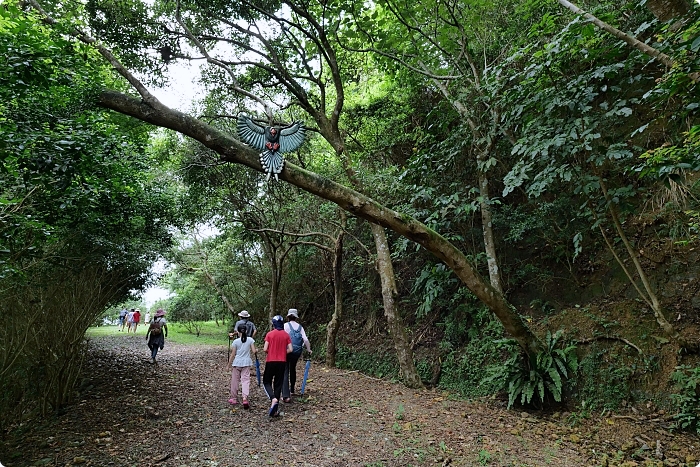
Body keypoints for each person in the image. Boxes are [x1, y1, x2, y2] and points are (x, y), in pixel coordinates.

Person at [263, 315, 292, 417]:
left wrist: (271, 351)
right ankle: (275, 409)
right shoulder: (286, 335)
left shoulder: (270, 334)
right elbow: (291, 349)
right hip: (282, 362)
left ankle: (273, 399)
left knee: (266, 381)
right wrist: (283, 352)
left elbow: (265, 348)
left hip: (271, 361)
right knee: (278, 384)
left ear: (273, 324)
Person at [282, 309, 312, 402]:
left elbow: (281, 337)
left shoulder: (285, 325)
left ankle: (285, 394)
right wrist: (308, 349)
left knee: (285, 371)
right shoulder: (300, 327)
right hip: (297, 351)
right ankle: (292, 390)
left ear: (288, 317)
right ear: (296, 317)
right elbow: (305, 339)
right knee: (293, 368)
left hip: (287, 351)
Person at [228, 324, 257, 409]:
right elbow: (254, 351)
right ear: (247, 331)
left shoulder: (236, 341)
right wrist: (257, 351)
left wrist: (228, 365)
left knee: (235, 381)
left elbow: (233, 354)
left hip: (237, 363)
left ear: (238, 331)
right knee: (245, 381)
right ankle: (245, 398)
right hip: (246, 363)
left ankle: (234, 398)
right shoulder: (250, 340)